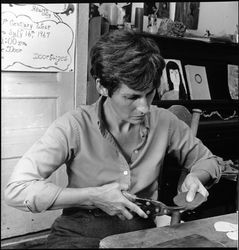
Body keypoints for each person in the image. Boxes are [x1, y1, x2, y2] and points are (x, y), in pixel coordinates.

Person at [4, 29, 221, 248]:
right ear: (102, 86)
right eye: (132, 97)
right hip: (77, 234)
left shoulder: (165, 121)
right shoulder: (74, 125)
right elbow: (16, 190)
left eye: (150, 93)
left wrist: (197, 177)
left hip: (139, 236)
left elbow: (208, 161)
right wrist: (92, 196)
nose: (145, 107)